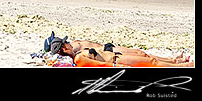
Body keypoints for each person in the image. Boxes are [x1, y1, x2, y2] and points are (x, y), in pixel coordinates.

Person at [46, 34, 190, 64]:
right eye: (66, 42)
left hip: (108, 49)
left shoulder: (75, 49)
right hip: (110, 53)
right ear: (63, 47)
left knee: (143, 54)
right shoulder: (77, 55)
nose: (69, 42)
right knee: (145, 57)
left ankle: (174, 60)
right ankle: (178, 63)